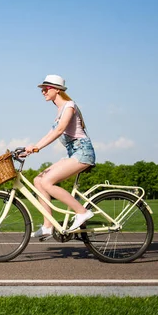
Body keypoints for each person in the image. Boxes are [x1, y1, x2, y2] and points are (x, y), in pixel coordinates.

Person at [25, 75, 96, 238]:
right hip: (73, 153)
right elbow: (51, 133)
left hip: (83, 152)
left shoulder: (69, 106)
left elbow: (58, 131)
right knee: (38, 180)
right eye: (43, 89)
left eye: (46, 88)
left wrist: (37, 148)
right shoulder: (60, 110)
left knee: (47, 182)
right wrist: (30, 149)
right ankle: (48, 225)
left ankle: (82, 212)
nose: (43, 91)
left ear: (57, 90)